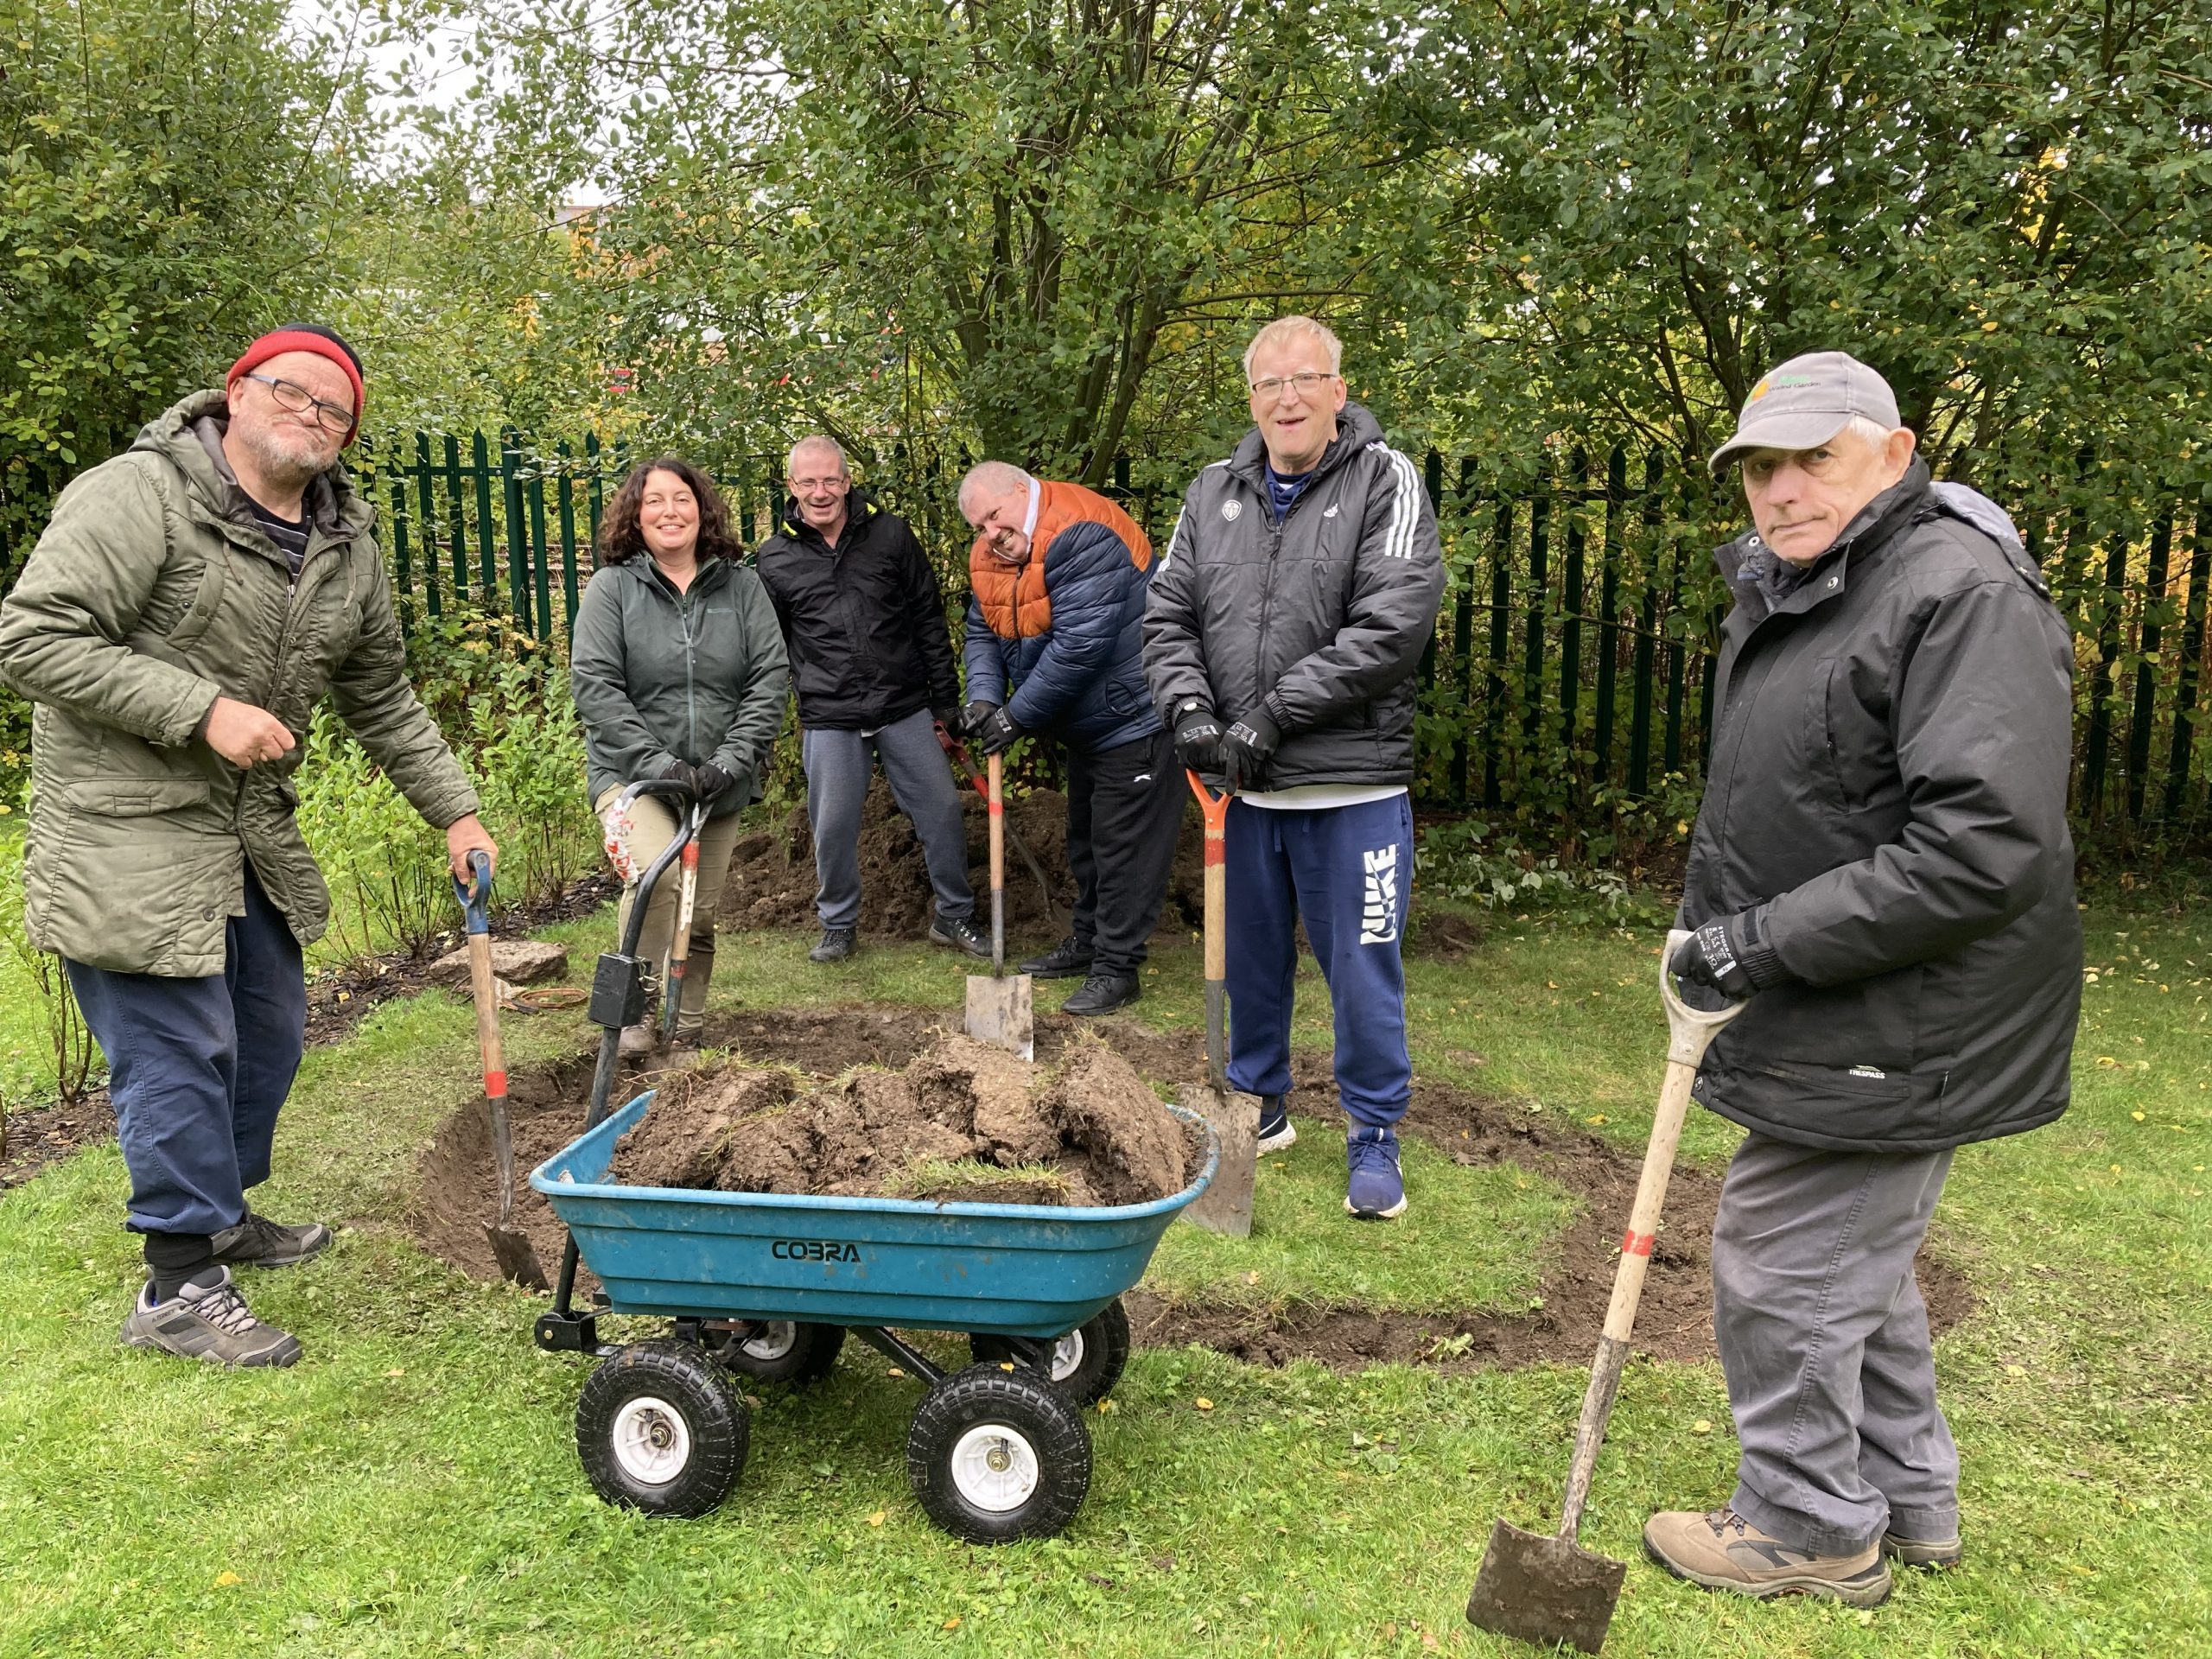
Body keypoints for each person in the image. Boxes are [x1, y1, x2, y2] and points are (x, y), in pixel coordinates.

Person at [1643, 351, 2081, 1608]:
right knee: (1858, 1268)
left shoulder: (1953, 592)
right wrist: (1726, 930)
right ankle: (1910, 1500)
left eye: (1811, 458)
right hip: (1845, 993)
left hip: (1907, 1009)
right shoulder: (1825, 582)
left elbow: (1979, 848)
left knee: (1782, 1261)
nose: (1780, 491)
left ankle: (1809, 1526)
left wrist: (1754, 942)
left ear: (1893, 452)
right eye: (1760, 469)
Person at [0, 324, 497, 1369]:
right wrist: (201, 710)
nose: (310, 414)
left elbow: (383, 697)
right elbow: (32, 637)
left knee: (266, 1035)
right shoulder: (136, 495)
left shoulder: (342, 545)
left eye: (335, 409)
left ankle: (218, 1219)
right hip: (126, 828)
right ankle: (178, 1286)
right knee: (177, 1052)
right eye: (291, 390)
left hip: (245, 834)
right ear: (237, 390)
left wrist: (456, 811)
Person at [1141, 315, 1444, 1220]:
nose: (1287, 398)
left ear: (1338, 392)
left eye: (1304, 379)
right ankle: (1258, 1104)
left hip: (1350, 787)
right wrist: (1191, 710)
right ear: (1251, 400)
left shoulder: (1386, 480)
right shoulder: (1210, 491)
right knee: (1251, 964)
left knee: (1361, 970)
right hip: (1245, 791)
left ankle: (1373, 1130)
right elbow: (1167, 615)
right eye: (1269, 385)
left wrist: (1270, 716)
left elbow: (1392, 627)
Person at [570, 458, 791, 1057]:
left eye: (682, 499)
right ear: (634, 518)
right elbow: (596, 687)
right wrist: (661, 765)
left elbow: (769, 679)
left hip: (719, 781)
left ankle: (687, 1027)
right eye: (655, 502)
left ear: (703, 510)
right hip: (632, 780)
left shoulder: (741, 588)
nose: (671, 511)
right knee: (658, 880)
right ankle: (634, 1014)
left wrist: (729, 761)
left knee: (702, 909)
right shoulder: (612, 589)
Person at [958, 461, 1180, 1016]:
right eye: (978, 526)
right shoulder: (993, 551)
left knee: (1124, 850)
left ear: (1021, 489)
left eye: (995, 516)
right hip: (1088, 725)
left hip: (1135, 716)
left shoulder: (1082, 531)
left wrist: (1016, 717)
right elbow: (982, 627)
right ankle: (1088, 943)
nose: (990, 534)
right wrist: (984, 699)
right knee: (1086, 842)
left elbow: (1083, 646)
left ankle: (1117, 966)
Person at [754, 436, 985, 963]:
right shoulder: (774, 559)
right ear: (791, 487)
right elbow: (770, 650)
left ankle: (954, 916)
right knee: (833, 825)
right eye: (808, 481)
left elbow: (927, 618)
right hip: (830, 715)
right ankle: (838, 925)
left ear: (847, 481)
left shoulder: (891, 535)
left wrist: (945, 702)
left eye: (831, 479)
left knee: (943, 811)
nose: (821, 491)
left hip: (903, 705)